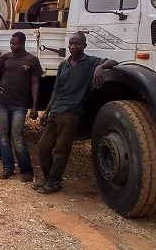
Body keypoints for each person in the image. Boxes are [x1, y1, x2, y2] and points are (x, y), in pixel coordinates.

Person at [35, 31, 118, 194]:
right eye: (71, 43)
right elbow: (56, 90)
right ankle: (47, 178)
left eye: (77, 44)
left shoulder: (90, 62)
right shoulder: (63, 64)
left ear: (84, 46)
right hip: (55, 110)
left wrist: (100, 67)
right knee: (43, 147)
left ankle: (54, 182)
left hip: (71, 112)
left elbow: (114, 61)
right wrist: (46, 111)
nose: (73, 47)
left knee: (60, 150)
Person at [0, 32, 42, 181]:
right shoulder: (5, 57)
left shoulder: (32, 60)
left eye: (15, 43)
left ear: (23, 43)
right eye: (11, 43)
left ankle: (27, 171)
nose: (12, 46)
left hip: (20, 105)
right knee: (3, 136)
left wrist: (34, 106)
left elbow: (35, 84)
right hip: (2, 102)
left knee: (17, 136)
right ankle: (8, 168)